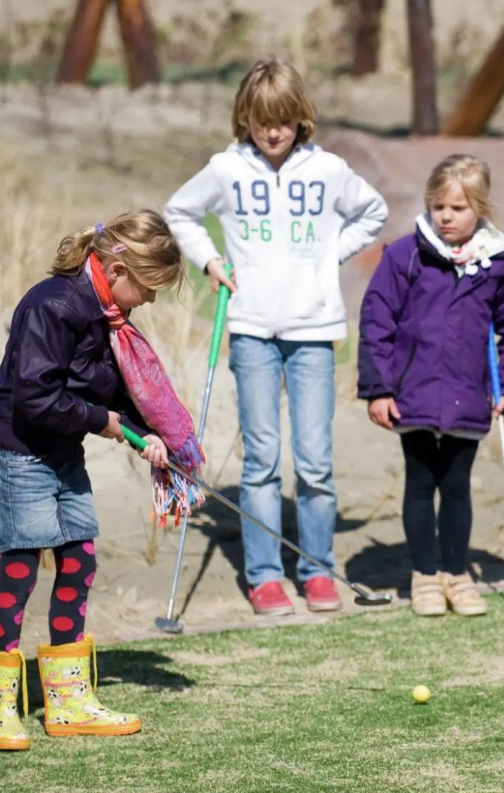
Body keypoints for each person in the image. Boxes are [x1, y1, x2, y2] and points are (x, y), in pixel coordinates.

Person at [163, 58, 387, 616]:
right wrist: (211, 261)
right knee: (261, 459)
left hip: (314, 330)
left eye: (284, 120)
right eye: (263, 120)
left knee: (315, 461)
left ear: (300, 118)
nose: (273, 131)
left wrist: (326, 257)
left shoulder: (329, 169)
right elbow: (180, 212)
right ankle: (265, 575)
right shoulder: (226, 168)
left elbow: (373, 211)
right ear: (246, 117)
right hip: (252, 329)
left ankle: (316, 571)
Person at [0, 209, 201, 751]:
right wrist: (108, 425)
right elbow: (36, 400)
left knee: (79, 560)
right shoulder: (54, 306)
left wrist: (149, 435)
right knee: (21, 568)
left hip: (61, 454)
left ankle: (68, 701)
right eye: (148, 288)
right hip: (21, 453)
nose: (149, 301)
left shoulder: (106, 315)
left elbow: (111, 389)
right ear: (119, 266)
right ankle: (2, 707)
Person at [358, 154, 504, 617]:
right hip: (412, 394)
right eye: (438, 207)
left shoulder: (499, 264)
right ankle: (425, 577)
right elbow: (377, 322)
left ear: (480, 207)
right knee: (420, 482)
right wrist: (379, 389)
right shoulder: (404, 255)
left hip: (467, 397)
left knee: (456, 485)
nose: (446, 217)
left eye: (457, 208)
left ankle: (456, 574)